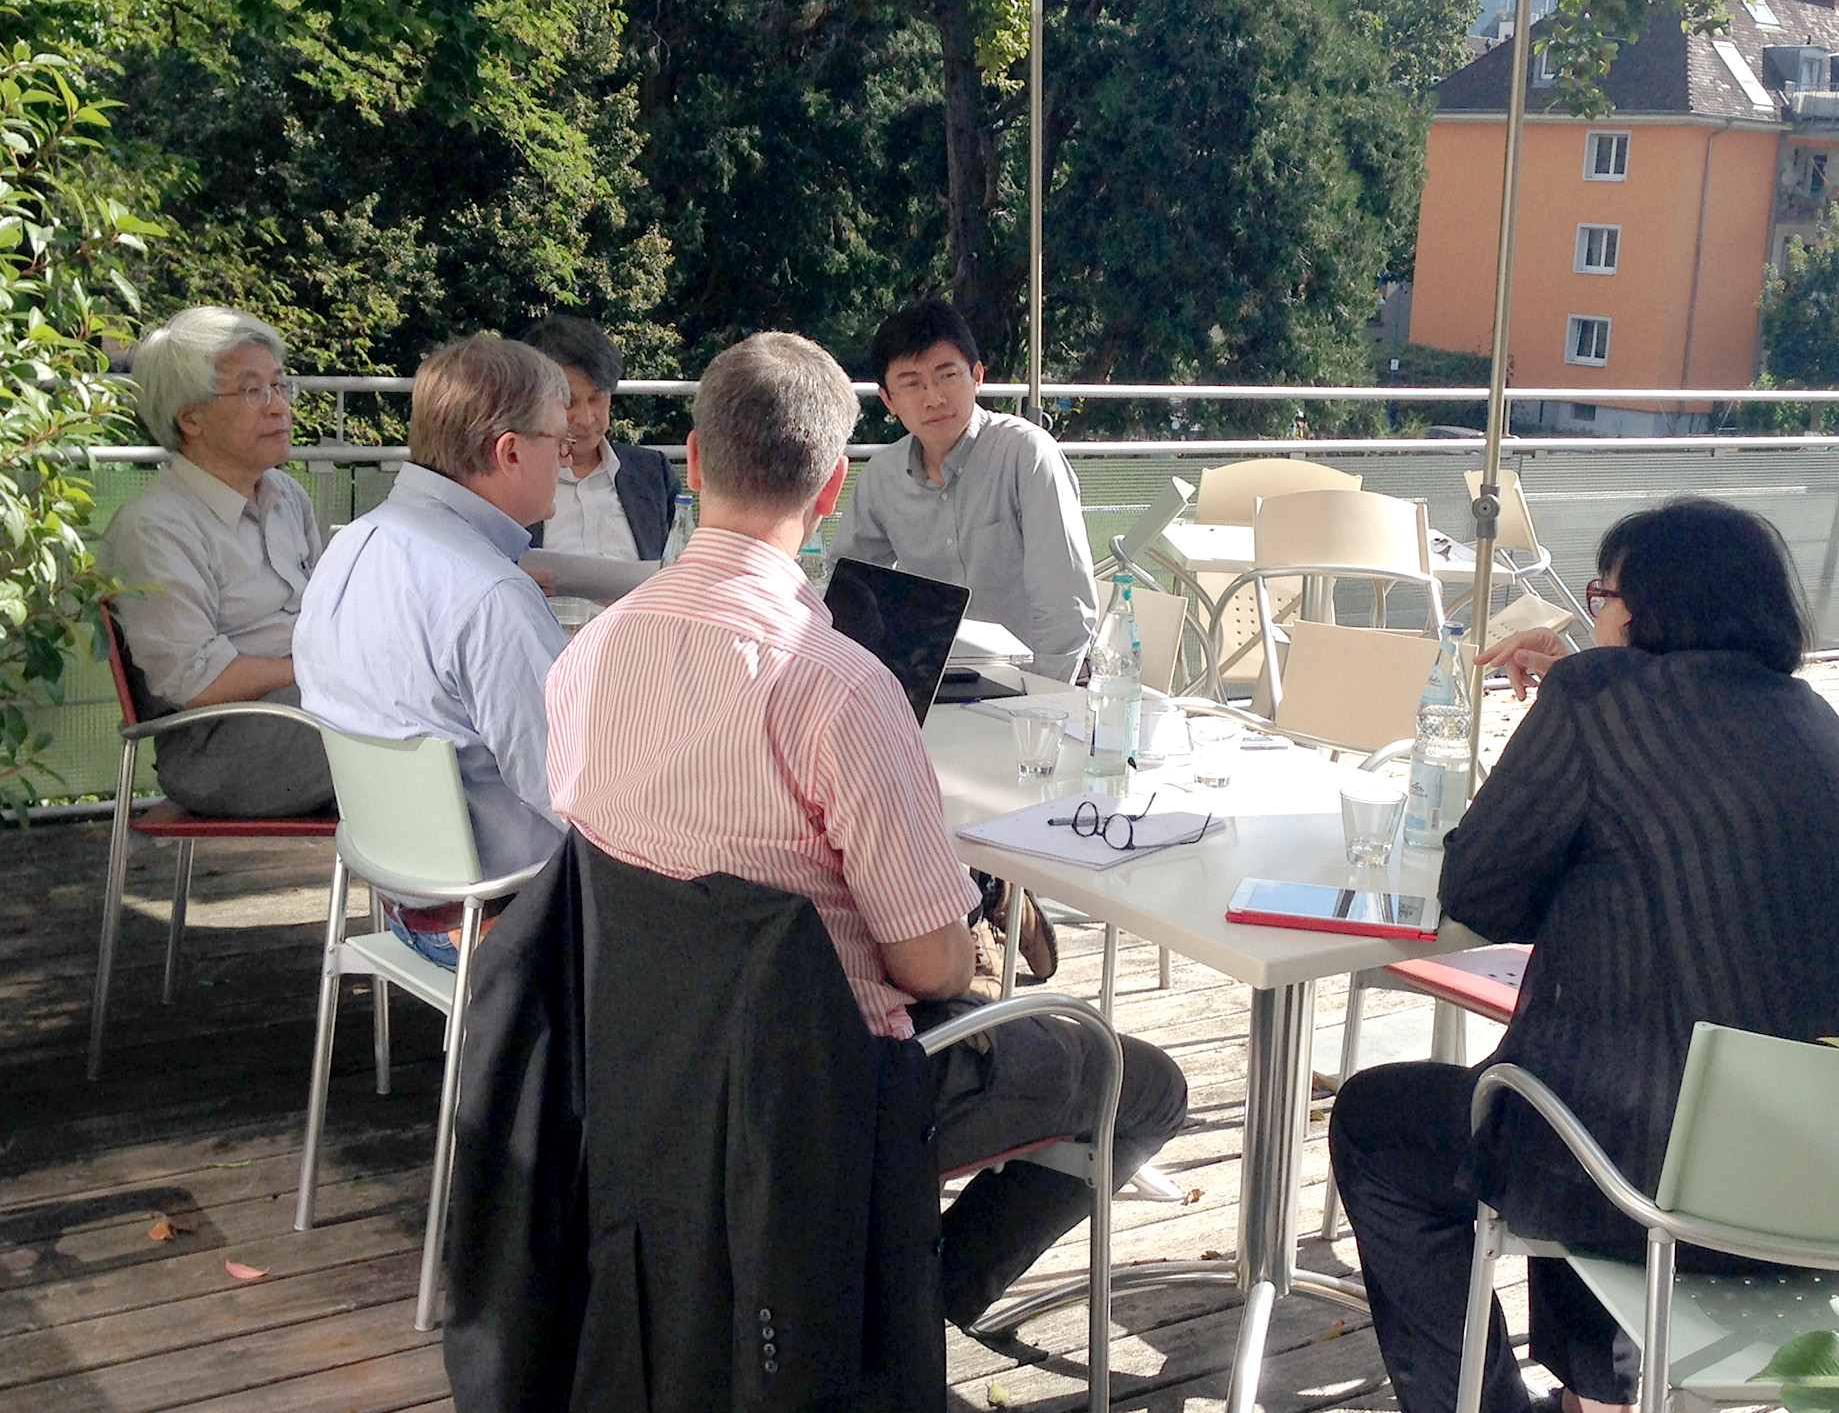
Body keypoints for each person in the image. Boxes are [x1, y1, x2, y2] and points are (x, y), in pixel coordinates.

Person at [545, 330, 1189, 1328]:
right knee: (1140, 1083)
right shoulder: (839, 687)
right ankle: (915, 1309)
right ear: (835, 485)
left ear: (696, 461)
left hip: (647, 1058)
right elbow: (933, 972)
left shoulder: (590, 653)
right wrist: (967, 924)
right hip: (826, 1089)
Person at [1329, 498, 1839, 1413]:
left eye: (1602, 593)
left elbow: (1480, 893)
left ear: (1640, 609)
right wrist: (1590, 687)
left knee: (1392, 1120)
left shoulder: (1592, 699)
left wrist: (1573, 699)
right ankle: (1591, 1393)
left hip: (1678, 1195)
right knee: (1605, 1046)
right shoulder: (1811, 721)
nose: (1595, 610)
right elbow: (1678, 805)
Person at [294, 335, 572, 966]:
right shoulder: (489, 594)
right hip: (505, 926)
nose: (566, 459)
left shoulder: (350, 545)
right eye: (559, 442)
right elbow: (573, 791)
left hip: (406, 903)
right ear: (509, 452)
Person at [101, 307, 336, 818]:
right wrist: (326, 668)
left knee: (438, 696)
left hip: (306, 709)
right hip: (217, 744)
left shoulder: (286, 496)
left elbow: (325, 617)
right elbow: (196, 681)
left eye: (280, 386)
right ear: (190, 417)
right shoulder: (156, 527)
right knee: (413, 718)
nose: (279, 407)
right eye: (252, 391)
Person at [831, 298, 1095, 685]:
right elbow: (848, 590)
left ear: (977, 376)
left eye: (947, 375)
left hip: (1032, 679)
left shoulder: (1025, 454)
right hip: (931, 682)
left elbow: (1064, 600)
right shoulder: (883, 477)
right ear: (888, 399)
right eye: (912, 383)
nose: (934, 398)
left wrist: (1046, 695)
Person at [521, 313, 676, 561]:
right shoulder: (515, 477)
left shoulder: (653, 473)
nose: (585, 419)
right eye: (569, 402)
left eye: (597, 398)